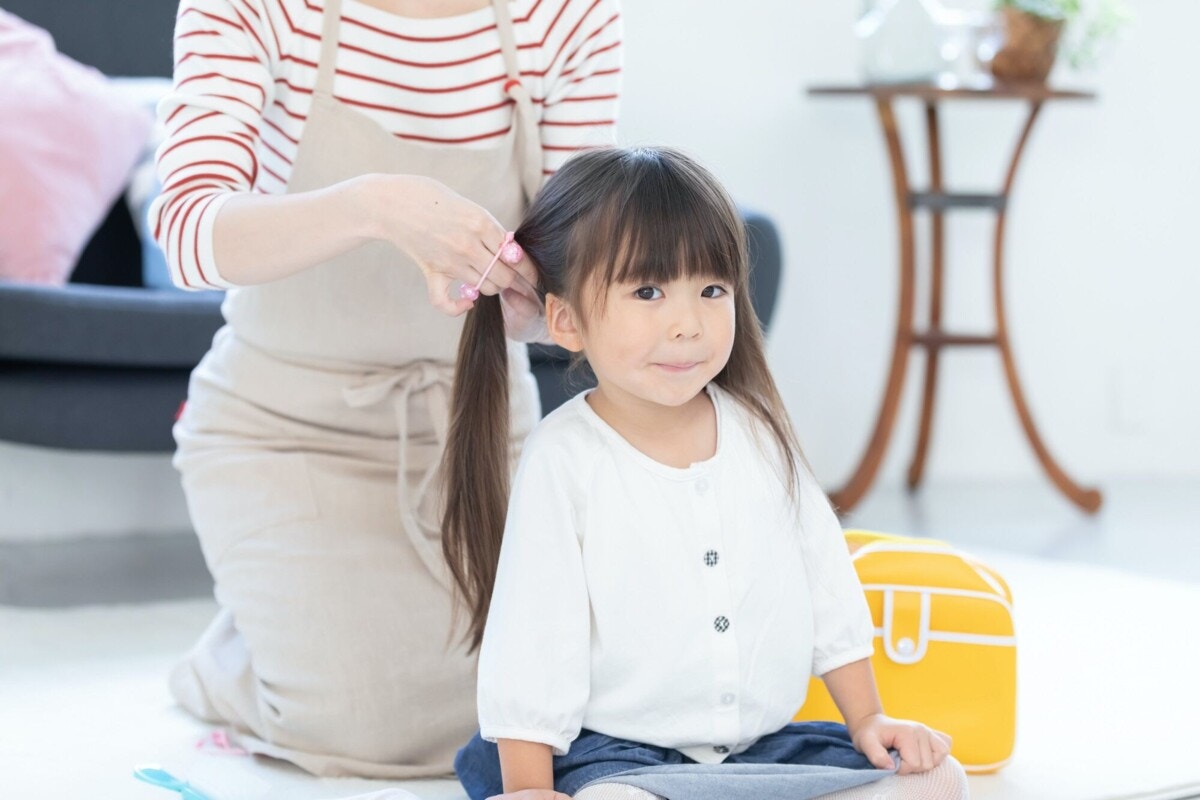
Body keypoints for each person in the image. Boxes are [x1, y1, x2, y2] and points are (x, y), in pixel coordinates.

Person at [149, 0, 621, 778]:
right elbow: (188, 235)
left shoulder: (570, 16)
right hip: (285, 427)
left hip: (478, 428)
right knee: (369, 725)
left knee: (556, 708)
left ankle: (299, 632)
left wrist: (563, 294)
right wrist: (373, 207)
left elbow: (564, 282)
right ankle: (239, 661)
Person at [441, 147, 969, 800]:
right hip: (620, 761)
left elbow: (826, 578)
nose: (688, 323)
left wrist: (868, 719)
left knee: (940, 780)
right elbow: (533, 634)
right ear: (566, 320)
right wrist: (529, 788)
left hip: (763, 751)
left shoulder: (759, 430)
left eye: (712, 289)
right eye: (648, 291)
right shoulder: (564, 458)